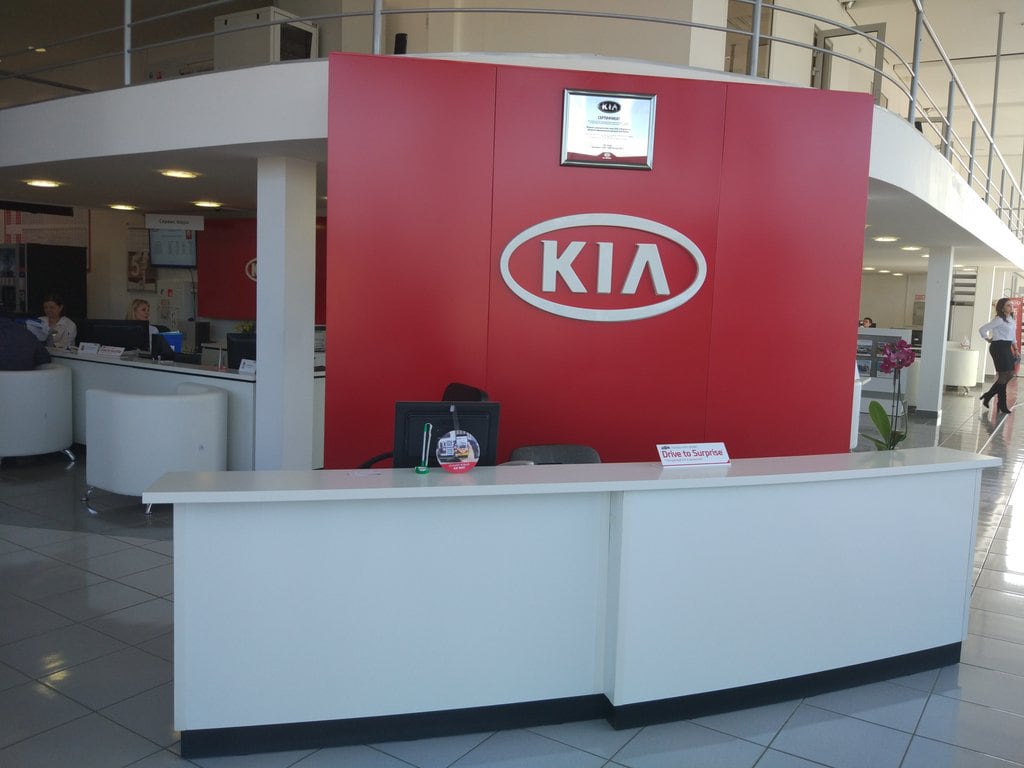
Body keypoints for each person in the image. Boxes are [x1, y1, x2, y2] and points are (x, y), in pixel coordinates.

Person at [978, 298, 1018, 415]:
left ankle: (988, 395)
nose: (1011, 307)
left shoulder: (1011, 319)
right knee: (1003, 375)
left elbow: (1013, 336)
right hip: (998, 347)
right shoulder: (999, 319)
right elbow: (982, 329)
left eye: (1011, 305)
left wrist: (1016, 349)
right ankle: (1001, 404)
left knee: (1010, 374)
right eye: (1008, 305)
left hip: (1007, 347)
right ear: (1002, 308)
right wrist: (987, 339)